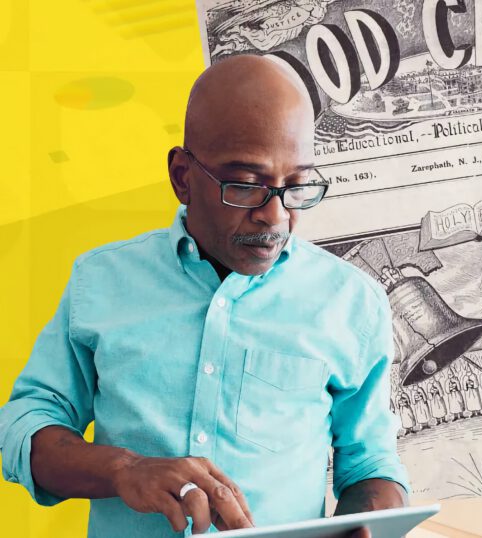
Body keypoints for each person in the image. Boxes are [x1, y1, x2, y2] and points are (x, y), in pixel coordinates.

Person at [0, 55, 408, 537]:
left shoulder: (352, 303)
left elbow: (371, 468)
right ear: (182, 176)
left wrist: (369, 523)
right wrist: (124, 470)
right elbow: (23, 429)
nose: (275, 217)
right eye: (246, 185)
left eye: (296, 186)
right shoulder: (102, 281)